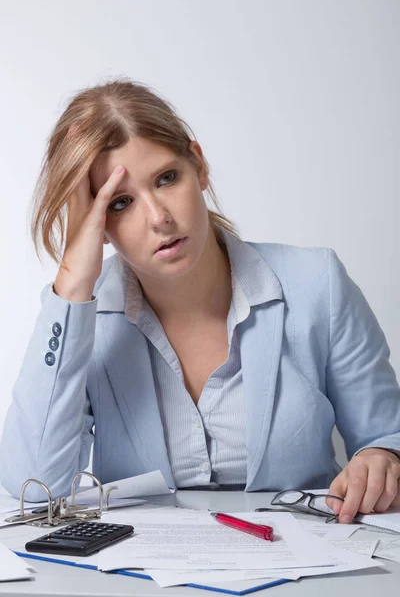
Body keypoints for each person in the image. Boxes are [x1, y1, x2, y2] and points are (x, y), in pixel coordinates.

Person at [1, 79, 400, 526]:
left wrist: (383, 457)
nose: (159, 218)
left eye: (167, 178)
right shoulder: (83, 317)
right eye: (120, 203)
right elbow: (32, 490)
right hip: (137, 581)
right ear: (96, 222)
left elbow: (388, 434)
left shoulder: (316, 284)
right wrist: (74, 283)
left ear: (200, 165)